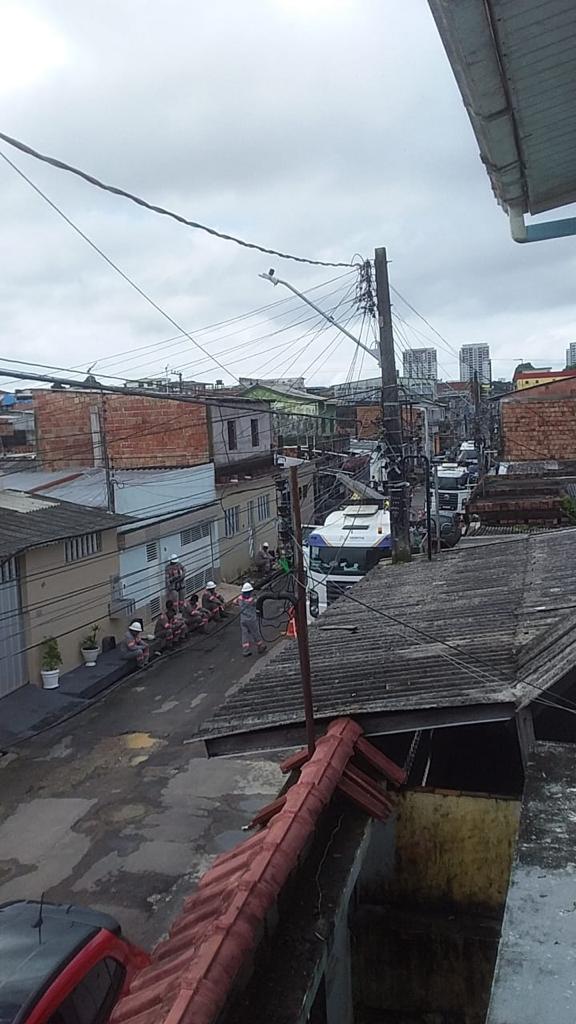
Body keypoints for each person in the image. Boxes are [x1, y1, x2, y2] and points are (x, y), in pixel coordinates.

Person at [236, 581, 266, 657]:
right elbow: (257, 602)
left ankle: (245, 650)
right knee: (255, 633)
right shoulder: (251, 601)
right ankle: (260, 646)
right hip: (251, 620)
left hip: (243, 620)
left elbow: (235, 602)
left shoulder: (239, 598)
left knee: (245, 635)